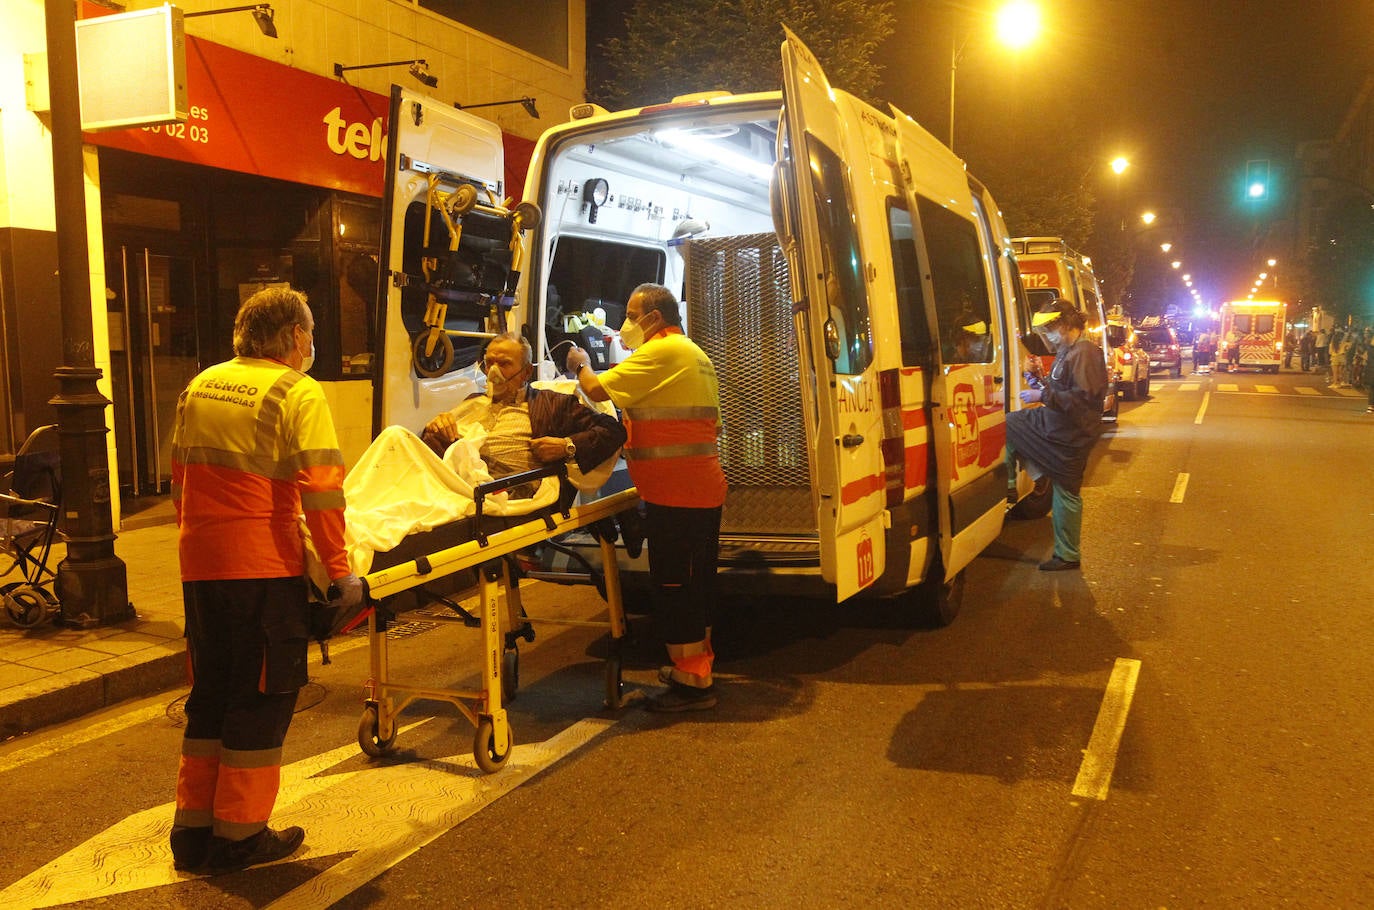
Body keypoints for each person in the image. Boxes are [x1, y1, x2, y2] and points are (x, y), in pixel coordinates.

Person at [168, 288, 362, 874]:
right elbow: (323, 490)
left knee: (211, 697)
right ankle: (241, 837)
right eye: (308, 332)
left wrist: (198, 539)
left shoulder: (200, 385)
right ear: (290, 337)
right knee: (260, 699)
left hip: (200, 565)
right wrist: (340, 571)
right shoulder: (295, 390)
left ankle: (192, 833)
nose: (311, 344)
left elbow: (180, 474)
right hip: (261, 567)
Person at [565, 283, 727, 711]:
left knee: (677, 586)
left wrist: (579, 363)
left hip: (680, 493)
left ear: (654, 317)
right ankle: (696, 665)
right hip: (695, 488)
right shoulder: (694, 354)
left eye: (632, 315)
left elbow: (597, 390)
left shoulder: (663, 352)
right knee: (695, 585)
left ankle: (694, 681)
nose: (627, 324)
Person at [420, 333, 626, 503]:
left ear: (526, 372)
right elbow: (448, 451)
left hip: (504, 493)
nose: (493, 371)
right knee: (397, 437)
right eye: (489, 362)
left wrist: (567, 446)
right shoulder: (473, 402)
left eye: (504, 363)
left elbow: (614, 431)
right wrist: (436, 430)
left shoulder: (553, 404)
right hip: (457, 485)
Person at [1005, 299, 1108, 571]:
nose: (1047, 338)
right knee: (1013, 424)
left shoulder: (1084, 353)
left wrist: (1043, 394)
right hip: (1056, 426)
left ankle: (1067, 554)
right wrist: (1036, 379)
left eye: (1049, 331)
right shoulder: (1067, 350)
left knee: (1067, 491)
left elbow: (1082, 401)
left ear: (1063, 326)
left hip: (1070, 435)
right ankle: (1066, 553)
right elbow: (1059, 390)